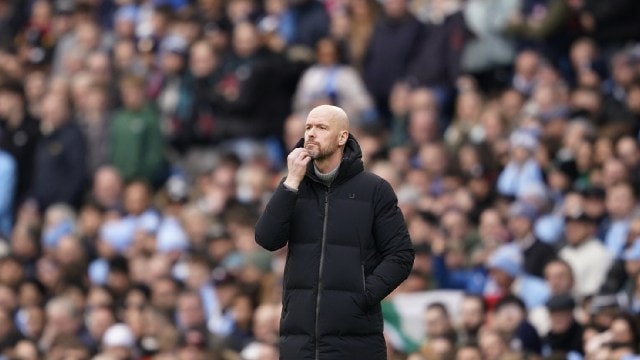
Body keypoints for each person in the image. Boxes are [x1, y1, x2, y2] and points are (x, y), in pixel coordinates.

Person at [255, 104, 414, 359]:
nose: (311, 133)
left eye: (321, 127)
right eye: (308, 127)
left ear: (343, 137)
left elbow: (401, 255)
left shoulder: (374, 190)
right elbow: (267, 239)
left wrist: (362, 295)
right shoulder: (293, 187)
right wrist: (291, 182)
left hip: (355, 340)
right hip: (299, 341)